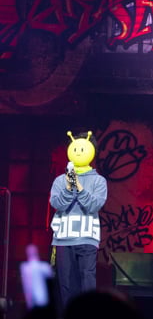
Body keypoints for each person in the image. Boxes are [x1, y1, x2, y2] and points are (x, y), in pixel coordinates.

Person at [49, 131, 108, 309]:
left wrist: (79, 188)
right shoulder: (60, 180)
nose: (79, 152)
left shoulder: (99, 181)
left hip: (87, 237)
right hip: (63, 238)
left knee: (87, 280)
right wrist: (69, 188)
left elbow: (93, 205)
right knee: (66, 283)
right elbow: (57, 204)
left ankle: (87, 317)